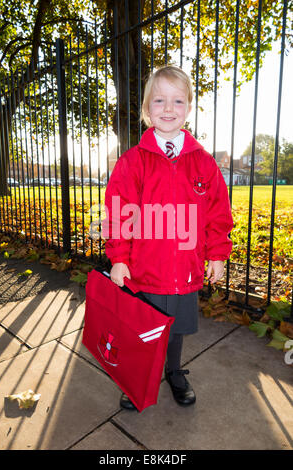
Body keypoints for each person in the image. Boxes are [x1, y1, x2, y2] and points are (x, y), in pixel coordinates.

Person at [103, 65, 233, 410]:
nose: (169, 108)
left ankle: (174, 371)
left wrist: (217, 254)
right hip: (145, 269)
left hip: (185, 270)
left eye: (177, 100)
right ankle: (138, 377)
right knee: (143, 330)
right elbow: (119, 212)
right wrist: (118, 257)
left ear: (188, 108)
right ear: (147, 110)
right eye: (159, 100)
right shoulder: (133, 162)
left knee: (174, 329)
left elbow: (218, 213)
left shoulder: (203, 163)